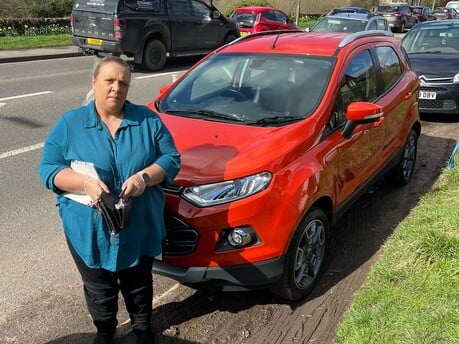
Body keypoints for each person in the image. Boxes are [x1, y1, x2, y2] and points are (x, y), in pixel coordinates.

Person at [38, 56, 181, 344]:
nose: (117, 87)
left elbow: (171, 159)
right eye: (109, 81)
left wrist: (144, 178)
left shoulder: (148, 120)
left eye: (123, 82)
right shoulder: (71, 123)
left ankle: (142, 326)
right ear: (94, 83)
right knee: (98, 288)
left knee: (138, 283)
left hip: (138, 224)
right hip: (88, 230)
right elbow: (48, 169)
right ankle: (105, 329)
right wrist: (86, 184)